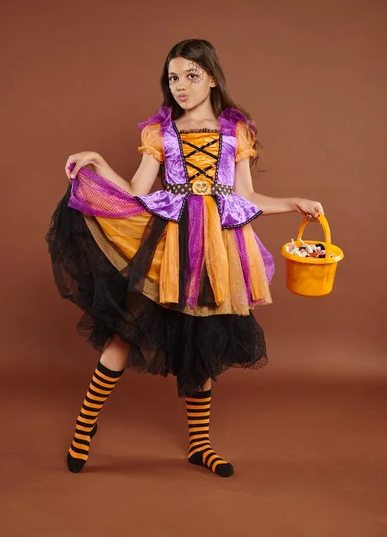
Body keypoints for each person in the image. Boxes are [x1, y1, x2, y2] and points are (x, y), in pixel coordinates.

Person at [47, 38, 324, 478]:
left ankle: (200, 446)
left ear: (212, 78)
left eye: (191, 76)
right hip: (167, 246)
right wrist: (98, 162)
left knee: (206, 341)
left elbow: (244, 195)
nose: (180, 86)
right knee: (125, 331)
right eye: (173, 77)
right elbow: (138, 194)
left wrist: (293, 202)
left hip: (217, 250)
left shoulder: (238, 132)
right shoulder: (161, 133)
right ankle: (84, 427)